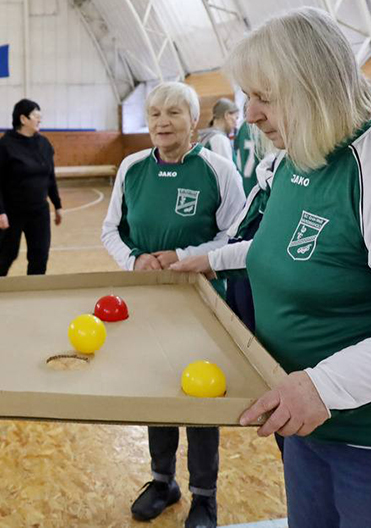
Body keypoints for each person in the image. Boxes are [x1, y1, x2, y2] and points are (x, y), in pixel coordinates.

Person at [171, 8, 371, 527]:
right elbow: (289, 250)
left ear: (314, 88)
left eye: (265, 97)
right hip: (312, 424)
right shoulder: (302, 153)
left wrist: (323, 385)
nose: (251, 114)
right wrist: (209, 261)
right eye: (247, 96)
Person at [101, 81, 245, 528]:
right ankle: (163, 482)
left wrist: (184, 256)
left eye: (173, 113)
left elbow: (236, 236)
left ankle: (205, 496)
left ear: (193, 120)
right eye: (154, 113)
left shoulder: (219, 170)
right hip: (149, 300)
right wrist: (134, 259)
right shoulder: (132, 167)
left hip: (202, 302)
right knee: (157, 388)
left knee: (200, 392)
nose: (162, 122)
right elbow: (111, 230)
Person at [0, 98, 63, 277]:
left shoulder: (44, 144)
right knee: (7, 254)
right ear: (23, 119)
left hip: (39, 211)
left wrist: (57, 205)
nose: (40, 120)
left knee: (40, 256)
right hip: (11, 212)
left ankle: (34, 292)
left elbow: (50, 177)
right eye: (36, 116)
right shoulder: (4, 146)